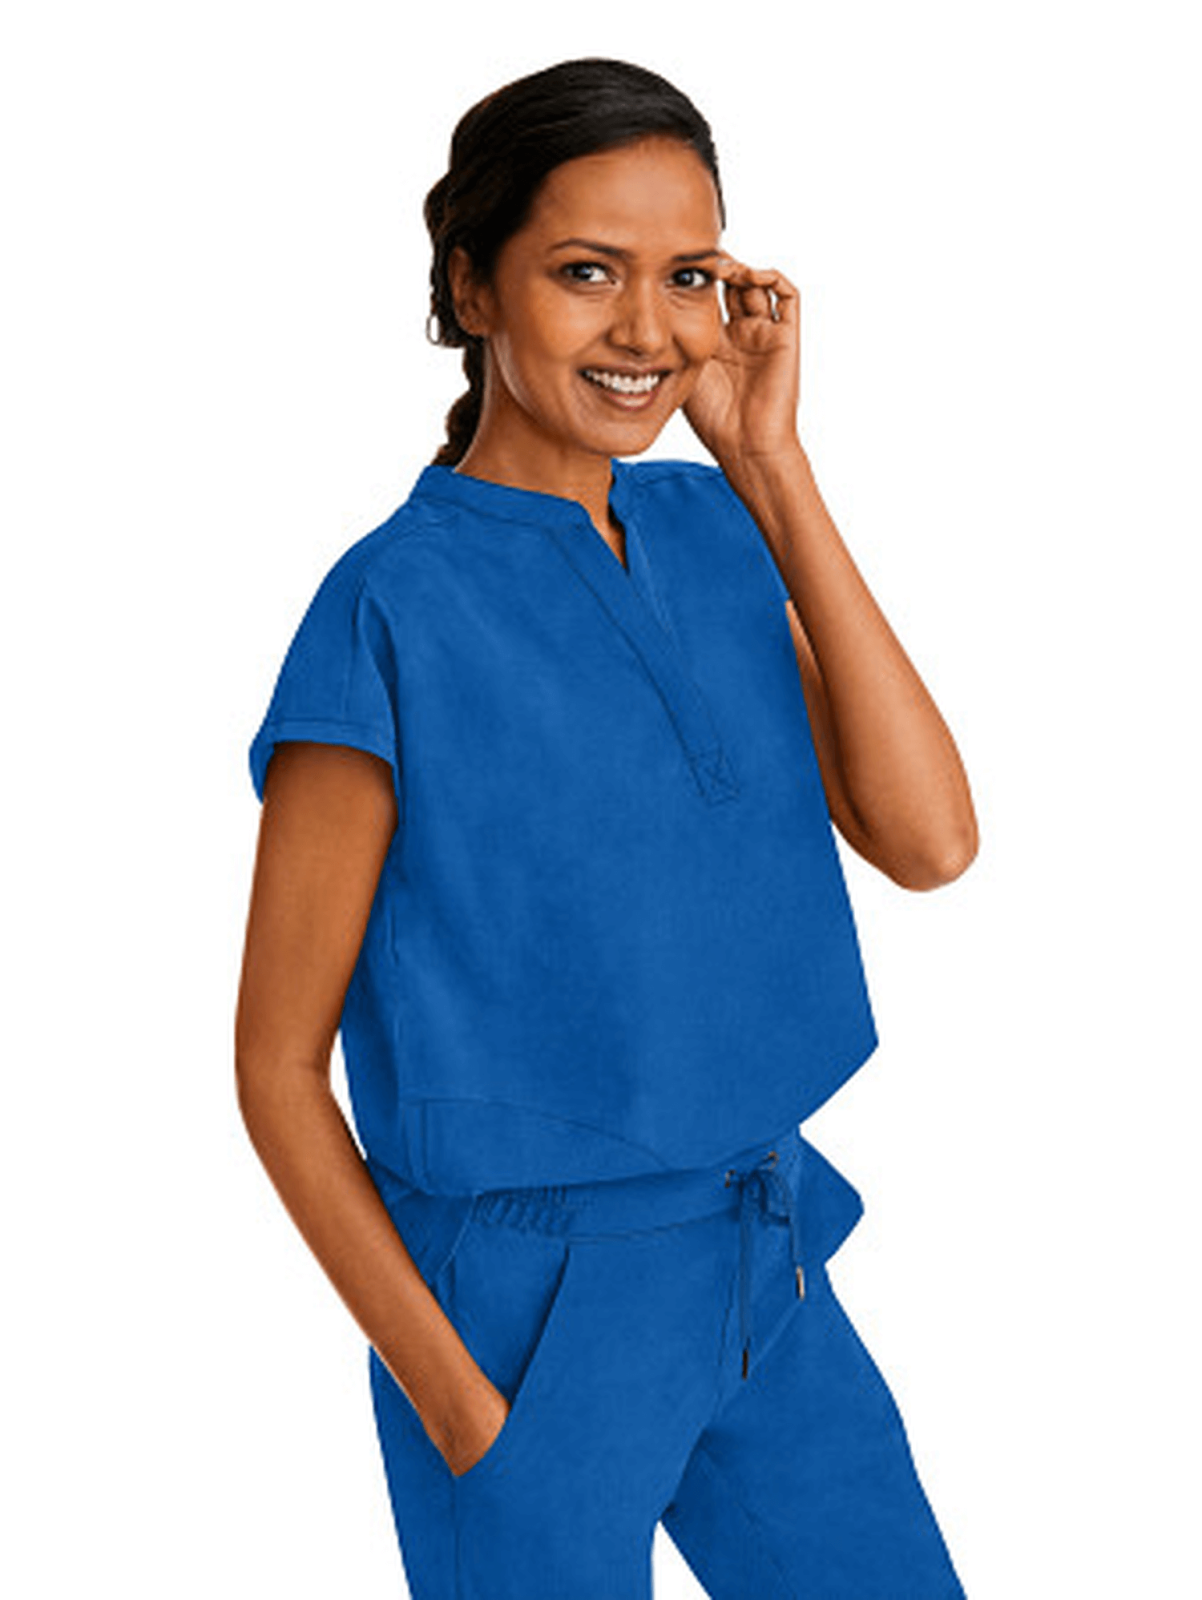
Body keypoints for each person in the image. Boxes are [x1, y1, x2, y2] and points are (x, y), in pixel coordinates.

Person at [235, 56, 978, 1600]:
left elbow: (926, 841)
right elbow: (275, 1069)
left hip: (762, 1258)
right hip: (521, 1318)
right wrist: (459, 1407)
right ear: (472, 288)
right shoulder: (387, 610)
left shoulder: (715, 527)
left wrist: (767, 464)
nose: (647, 331)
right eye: (586, 273)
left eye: (685, 276)